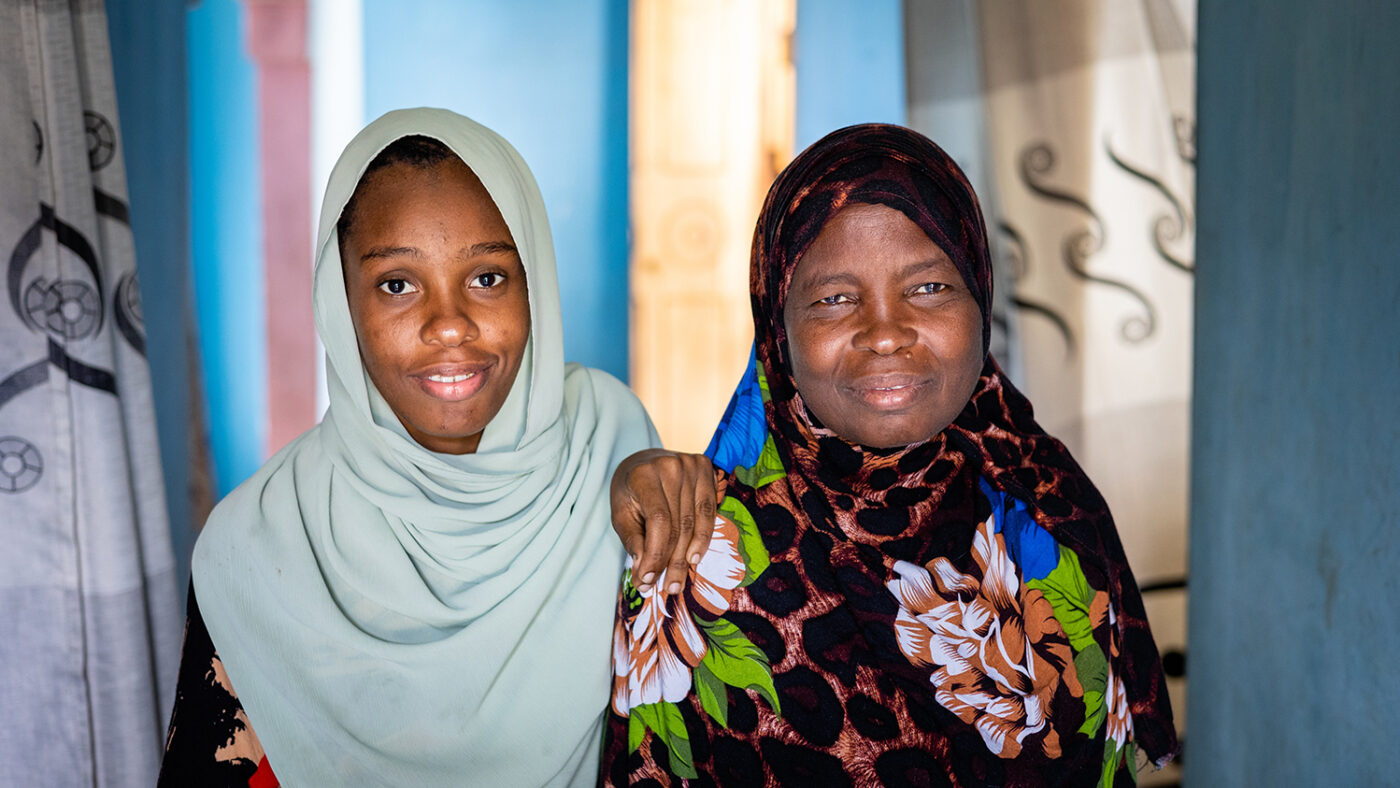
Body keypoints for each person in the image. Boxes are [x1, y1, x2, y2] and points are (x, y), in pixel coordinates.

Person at [602, 124, 1178, 786]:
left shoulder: (1050, 508)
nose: (885, 334)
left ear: (980, 298)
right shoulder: (699, 554)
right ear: (776, 328)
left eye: (929, 288)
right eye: (834, 299)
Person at [158, 108, 713, 787]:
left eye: (487, 278)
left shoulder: (610, 439)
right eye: (396, 285)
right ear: (341, 304)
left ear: (533, 281)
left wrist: (653, 478)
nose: (449, 325)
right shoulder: (256, 542)